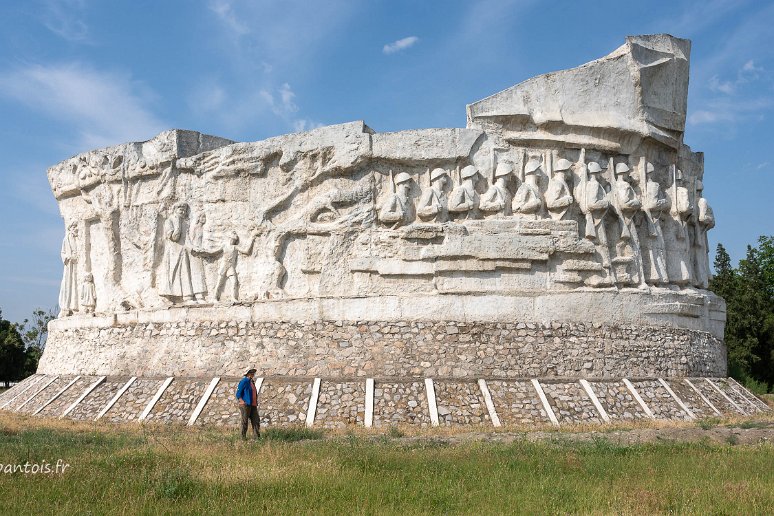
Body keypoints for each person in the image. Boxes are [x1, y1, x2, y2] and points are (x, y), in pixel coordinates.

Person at [236, 368, 260, 439]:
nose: (253, 374)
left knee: (256, 420)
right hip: (245, 405)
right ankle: (242, 438)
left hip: (253, 405)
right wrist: (242, 401)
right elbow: (238, 393)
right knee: (244, 421)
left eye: (253, 373)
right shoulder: (244, 381)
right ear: (248, 374)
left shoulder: (251, 382)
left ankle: (256, 438)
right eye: (251, 373)